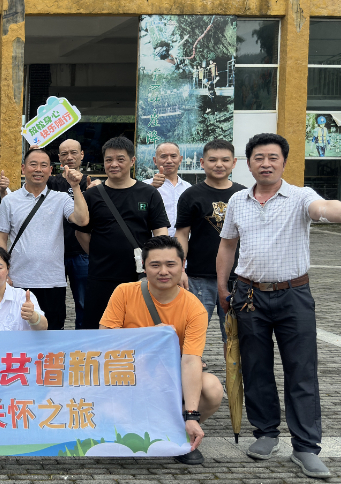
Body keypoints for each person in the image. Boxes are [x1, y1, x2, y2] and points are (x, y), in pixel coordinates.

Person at [217, 133, 341, 479]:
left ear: (284, 162)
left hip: (294, 295)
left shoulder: (301, 196)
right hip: (249, 296)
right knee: (255, 367)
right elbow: (227, 245)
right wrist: (222, 287)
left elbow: (323, 209)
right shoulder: (238, 200)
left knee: (301, 370)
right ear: (248, 164)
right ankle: (266, 432)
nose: (266, 164)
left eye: (273, 157)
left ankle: (305, 447)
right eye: (259, 158)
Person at [99, 235, 223, 466]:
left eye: (170, 264)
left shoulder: (194, 308)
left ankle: (180, 433)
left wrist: (192, 415)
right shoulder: (124, 292)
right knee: (106, 415)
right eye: (155, 265)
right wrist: (148, 337)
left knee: (212, 388)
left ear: (182, 265)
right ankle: (140, 426)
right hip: (128, 376)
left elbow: (191, 360)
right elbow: (105, 341)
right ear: (143, 266)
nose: (163, 271)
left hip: (169, 379)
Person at [77, 136, 170, 330]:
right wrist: (99, 254)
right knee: (98, 328)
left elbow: (161, 232)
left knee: (138, 328)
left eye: (120, 159)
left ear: (132, 160)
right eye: (108, 160)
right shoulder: (91, 195)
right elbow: (81, 233)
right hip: (101, 276)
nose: (114, 164)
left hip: (139, 276)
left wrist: (159, 264)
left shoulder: (148, 193)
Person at [0, 148, 87, 330]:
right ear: (23, 168)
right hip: (19, 281)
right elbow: (1, 239)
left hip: (52, 281)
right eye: (33, 164)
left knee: (52, 332)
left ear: (50, 171)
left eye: (44, 165)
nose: (38, 169)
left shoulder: (61, 198)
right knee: (19, 331)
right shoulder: (9, 201)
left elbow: (82, 220)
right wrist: (3, 273)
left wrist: (75, 187)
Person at [174, 139, 244, 342]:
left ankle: (233, 366)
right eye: (212, 160)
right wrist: (180, 268)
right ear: (202, 163)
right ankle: (189, 363)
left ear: (234, 163)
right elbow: (182, 234)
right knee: (191, 334)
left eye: (225, 160)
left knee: (234, 338)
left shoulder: (243, 195)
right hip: (198, 277)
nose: (219, 164)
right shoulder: (190, 195)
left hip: (237, 277)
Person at [47, 138, 97, 329]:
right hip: (54, 254)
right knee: (53, 303)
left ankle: (82, 340)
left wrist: (95, 192)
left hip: (81, 253)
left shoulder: (90, 183)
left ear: (82, 155)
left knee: (84, 302)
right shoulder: (50, 182)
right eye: (64, 154)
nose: (69, 157)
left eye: (73, 152)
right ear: (59, 158)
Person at [150, 142, 190, 237]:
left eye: (173, 156)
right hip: (156, 242)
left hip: (184, 242)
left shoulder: (188, 188)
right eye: (163, 156)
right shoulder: (146, 186)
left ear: (180, 160)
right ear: (155, 160)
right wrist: (150, 189)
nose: (169, 161)